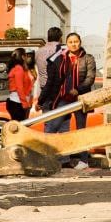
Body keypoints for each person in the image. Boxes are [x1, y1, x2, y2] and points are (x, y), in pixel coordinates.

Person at [39, 32, 96, 169]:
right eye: (70, 42)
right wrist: (44, 99)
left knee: (81, 129)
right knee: (53, 126)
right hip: (63, 98)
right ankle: (45, 157)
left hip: (81, 99)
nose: (73, 44)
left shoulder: (88, 58)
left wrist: (78, 89)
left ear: (80, 42)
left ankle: (83, 161)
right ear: (67, 43)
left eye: (76, 41)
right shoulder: (61, 59)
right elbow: (54, 80)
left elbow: (90, 78)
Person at [31, 27, 62, 110]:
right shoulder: (62, 51)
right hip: (59, 90)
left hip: (44, 91)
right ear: (60, 38)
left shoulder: (38, 52)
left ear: (48, 37)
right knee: (61, 119)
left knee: (47, 119)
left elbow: (32, 70)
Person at [5, 48, 32, 121]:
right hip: (18, 103)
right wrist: (25, 104)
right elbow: (19, 88)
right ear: (23, 57)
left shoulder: (17, 68)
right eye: (26, 55)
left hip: (17, 102)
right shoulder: (19, 69)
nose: (27, 57)